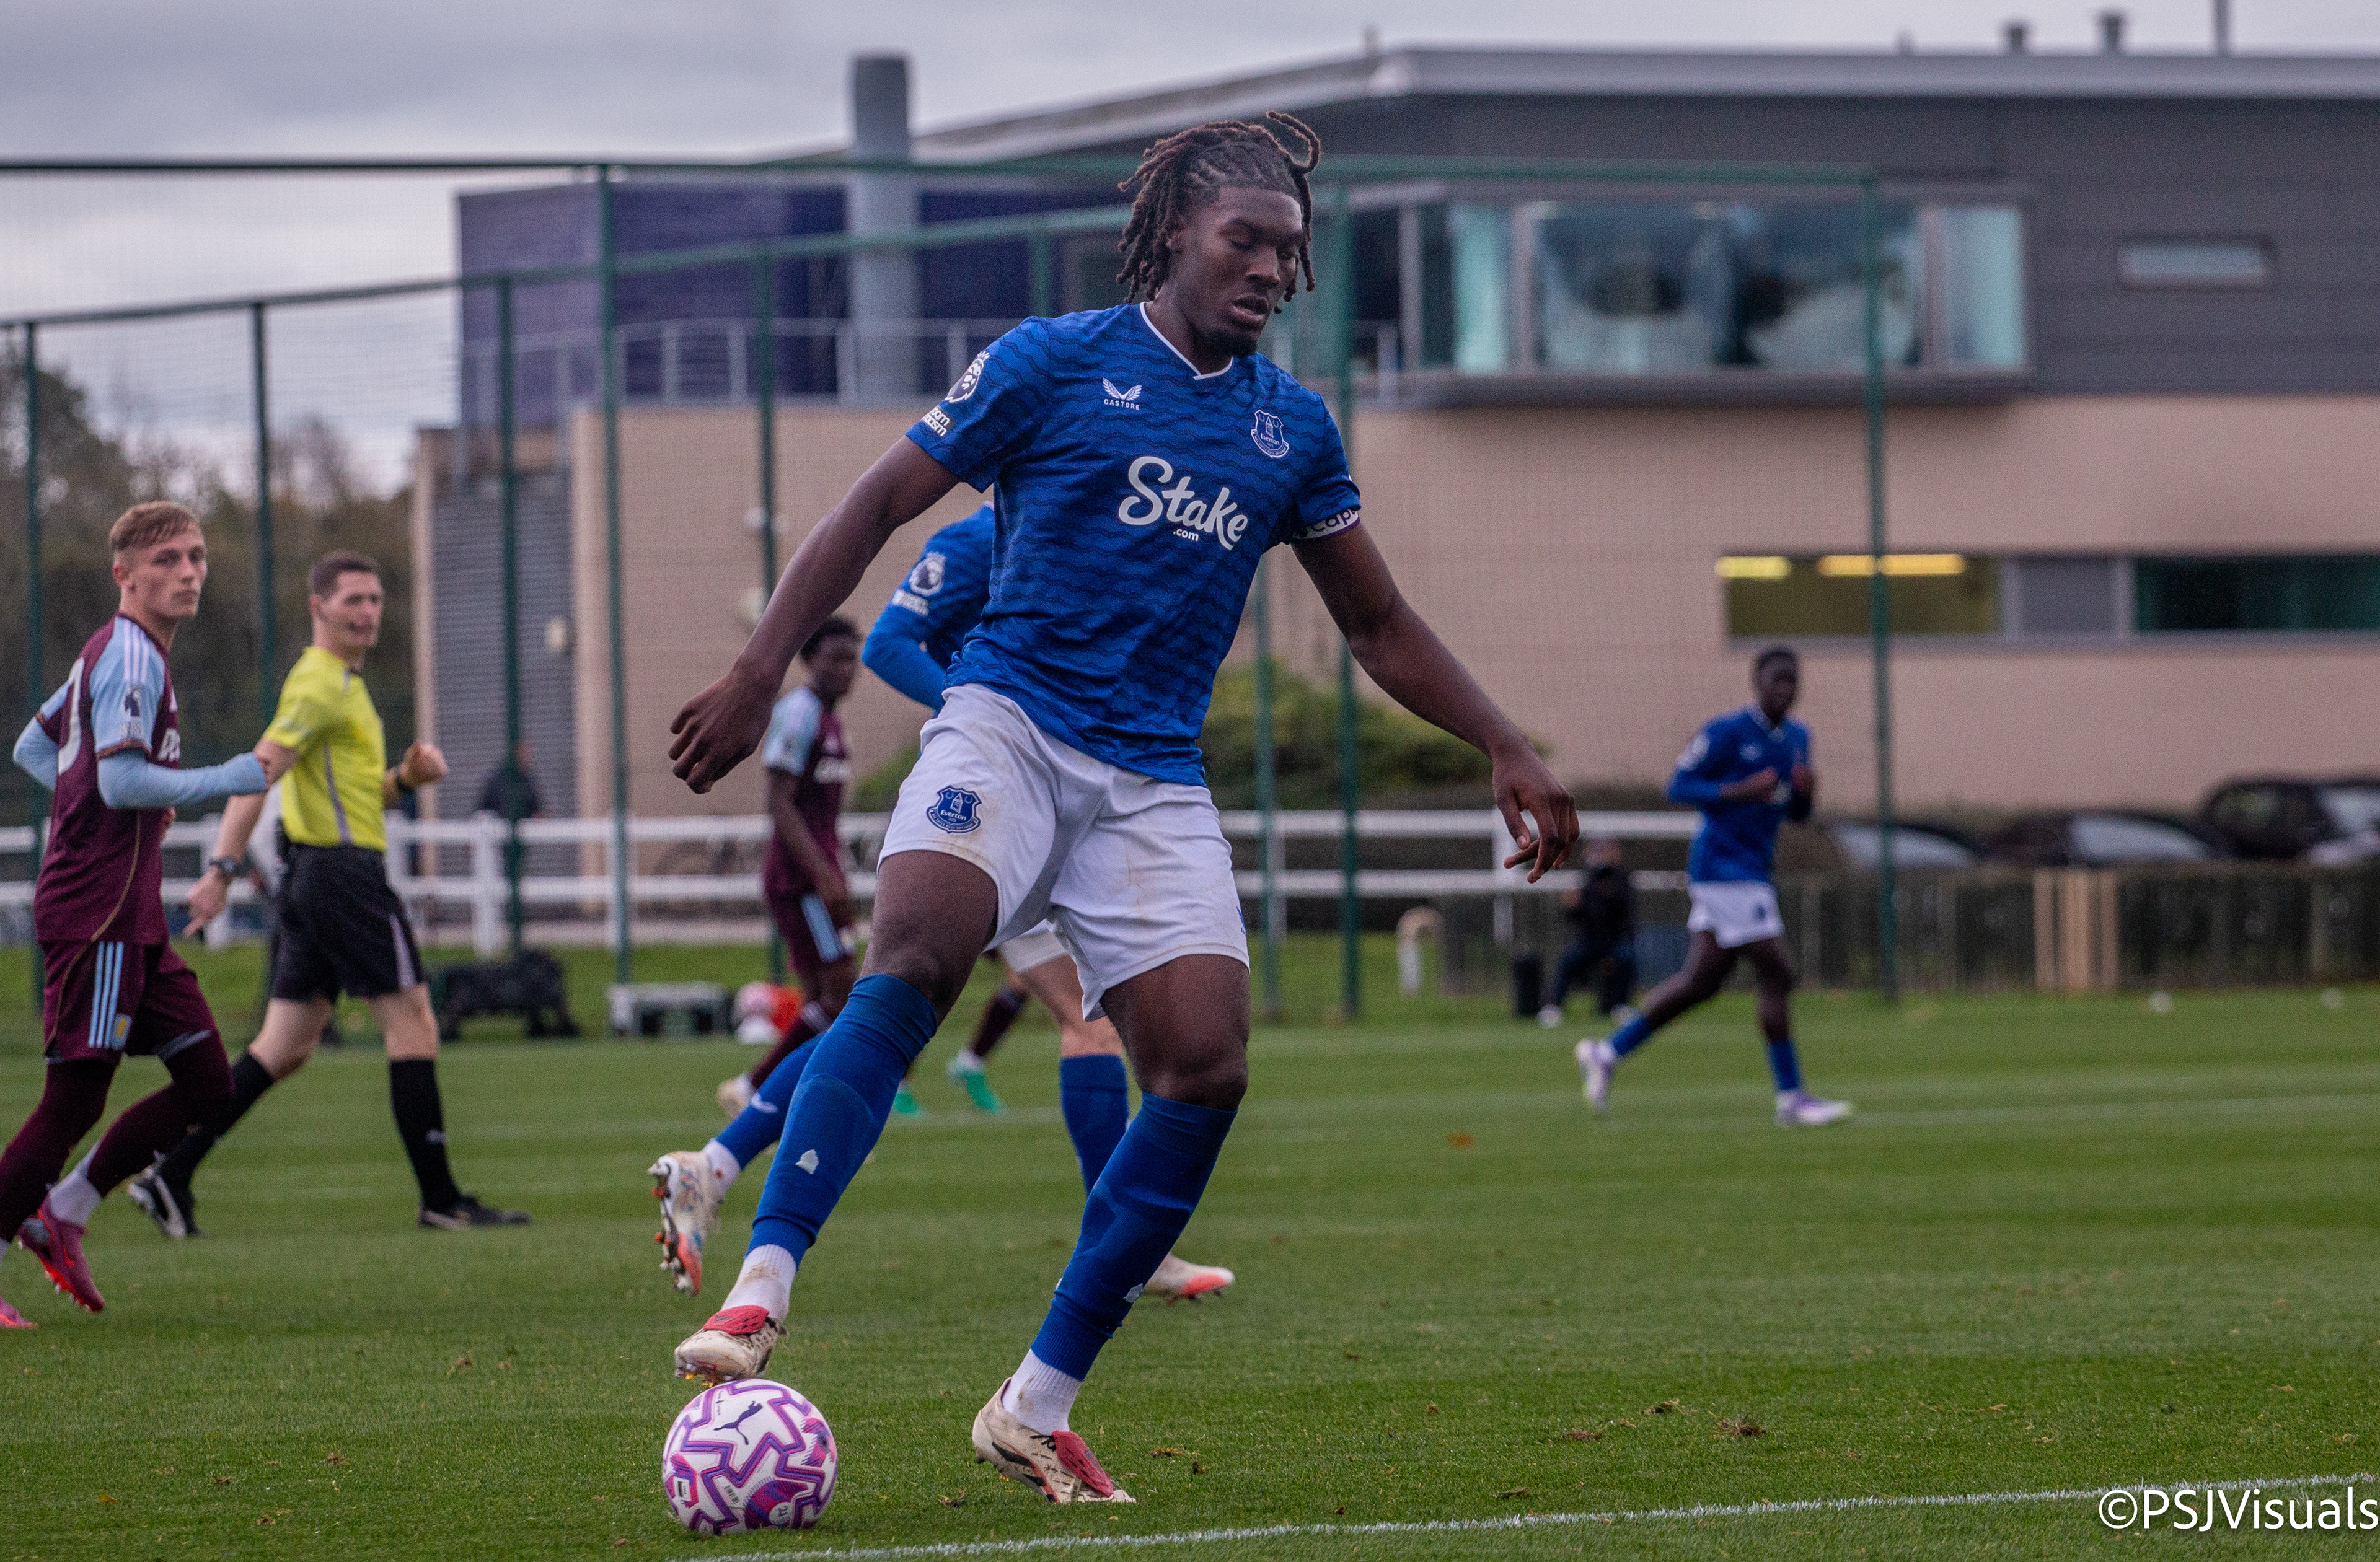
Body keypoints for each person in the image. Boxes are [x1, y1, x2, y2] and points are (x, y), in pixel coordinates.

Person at [662, 112, 1576, 1504]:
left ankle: (1035, 1405)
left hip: (1151, 777)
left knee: (1206, 1067)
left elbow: (1379, 624)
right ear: (1171, 239)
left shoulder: (1291, 429)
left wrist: (1503, 741)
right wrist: (756, 666)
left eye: (1288, 250)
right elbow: (878, 501)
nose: (1270, 268)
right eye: (1244, 240)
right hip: (1009, 723)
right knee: (913, 960)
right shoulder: (1053, 361)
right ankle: (762, 1286)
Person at [642, 507, 1238, 1307]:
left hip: (1063, 803)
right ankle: (1127, 1251)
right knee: (912, 1015)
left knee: (894, 1017)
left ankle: (713, 1166)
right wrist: (990, 712)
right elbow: (891, 640)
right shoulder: (986, 533)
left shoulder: (1093, 525)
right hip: (999, 800)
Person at [131, 551, 529, 1235]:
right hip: (344, 878)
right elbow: (257, 773)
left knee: (283, 1047)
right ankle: (442, 1199)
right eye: (353, 600)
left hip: (317, 878)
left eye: (375, 600)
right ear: (319, 607)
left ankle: (171, 1173)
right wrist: (222, 869)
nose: (368, 612)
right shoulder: (320, 684)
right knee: (414, 1025)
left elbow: (357, 795)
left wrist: (405, 779)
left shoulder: (344, 685)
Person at [0, 502, 270, 1322]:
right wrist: (224, 779)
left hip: (129, 917)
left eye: (196, 556)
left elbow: (36, 749)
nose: (188, 572)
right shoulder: (129, 657)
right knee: (74, 1100)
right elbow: (119, 782)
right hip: (97, 914)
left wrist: (108, 800)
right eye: (166, 560)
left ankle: (65, 1211)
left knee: (209, 1081)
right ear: (124, 575)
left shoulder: (124, 652)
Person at [1574, 647, 1852, 1127]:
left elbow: (1796, 814)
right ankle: (1791, 1098)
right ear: (1757, 682)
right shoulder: (1725, 732)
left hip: (1754, 871)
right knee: (1778, 974)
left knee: (1701, 982)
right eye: (1777, 679)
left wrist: (1806, 795)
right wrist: (1736, 791)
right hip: (1723, 869)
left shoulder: (1798, 738)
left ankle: (1607, 1052)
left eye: (1792, 680)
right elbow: (1679, 785)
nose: (1785, 688)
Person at [708, 619, 862, 1124]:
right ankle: (755, 1086)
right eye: (835, 658)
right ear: (809, 659)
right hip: (801, 881)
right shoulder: (799, 713)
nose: (846, 669)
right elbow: (779, 799)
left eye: (852, 659)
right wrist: (823, 873)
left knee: (822, 997)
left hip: (815, 877)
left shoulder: (831, 720)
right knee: (842, 994)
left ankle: (785, 1104)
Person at [1536, 838, 1637, 1027]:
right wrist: (1571, 905)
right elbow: (1577, 917)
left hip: (1615, 940)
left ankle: (1621, 1006)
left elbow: (1625, 910)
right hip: (1590, 941)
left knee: (1627, 958)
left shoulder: (1622, 878)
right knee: (1568, 961)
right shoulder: (1586, 880)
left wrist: (1609, 889)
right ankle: (1553, 1006)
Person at [472, 740, 542, 823]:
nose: (528, 757)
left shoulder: (528, 781)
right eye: (523, 753)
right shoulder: (497, 779)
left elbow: (536, 810)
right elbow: (484, 809)